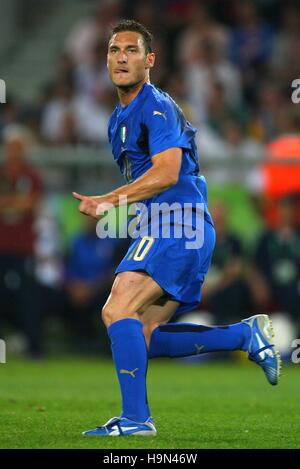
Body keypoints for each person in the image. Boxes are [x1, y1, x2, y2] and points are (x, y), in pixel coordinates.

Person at [72, 20, 281, 437]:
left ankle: (136, 420)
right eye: (114, 50)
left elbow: (167, 173)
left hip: (178, 222)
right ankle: (243, 335)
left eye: (132, 50)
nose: (121, 58)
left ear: (150, 61)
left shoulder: (155, 106)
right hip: (171, 226)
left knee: (117, 309)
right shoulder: (119, 120)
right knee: (143, 336)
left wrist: (108, 202)